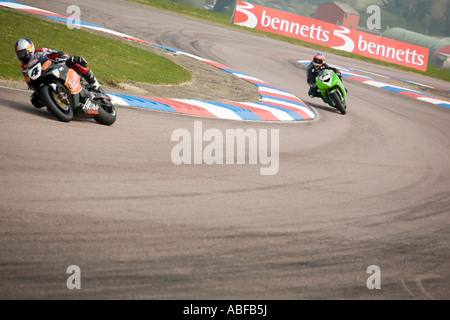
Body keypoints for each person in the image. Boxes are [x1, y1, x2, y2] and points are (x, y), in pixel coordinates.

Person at [15, 38, 101, 108]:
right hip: (43, 79)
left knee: (75, 60)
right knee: (35, 101)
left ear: (30, 49)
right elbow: (29, 79)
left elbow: (57, 53)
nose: (21, 56)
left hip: (58, 68)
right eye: (19, 54)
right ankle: (55, 104)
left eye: (22, 53)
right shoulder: (23, 67)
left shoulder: (42, 51)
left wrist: (61, 56)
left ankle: (94, 84)